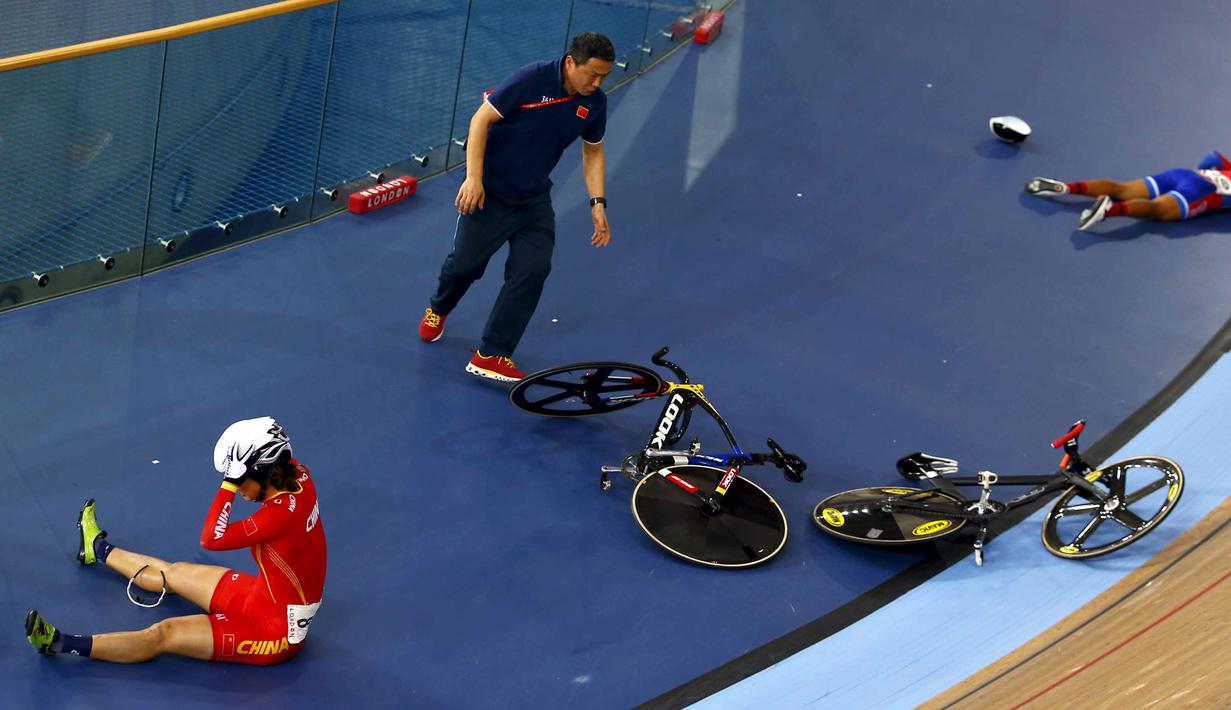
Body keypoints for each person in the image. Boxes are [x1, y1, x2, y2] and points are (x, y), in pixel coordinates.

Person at [24, 417, 326, 665]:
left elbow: (211, 538)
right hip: (261, 597)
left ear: (261, 470)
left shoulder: (281, 515)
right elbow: (272, 449)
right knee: (176, 572)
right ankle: (96, 549)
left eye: (239, 478)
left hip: (273, 633)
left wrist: (228, 485)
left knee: (163, 634)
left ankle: (59, 642)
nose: (239, 487)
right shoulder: (299, 476)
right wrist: (243, 463)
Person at [418, 32, 616, 383]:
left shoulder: (594, 103)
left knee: (533, 269)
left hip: (533, 199)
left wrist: (597, 202)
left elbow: (593, 151)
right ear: (571, 63)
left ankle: (493, 353)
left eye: (604, 76)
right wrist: (473, 178)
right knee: (465, 266)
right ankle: (438, 308)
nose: (597, 83)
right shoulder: (531, 79)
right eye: (592, 75)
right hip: (490, 193)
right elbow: (481, 120)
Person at [1026, 150, 1231, 230]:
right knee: (1155, 210)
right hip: (1203, 192)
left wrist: (1205, 172)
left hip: (1183, 175)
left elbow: (1212, 157)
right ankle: (1108, 211)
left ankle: (1066, 188)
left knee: (1121, 188)